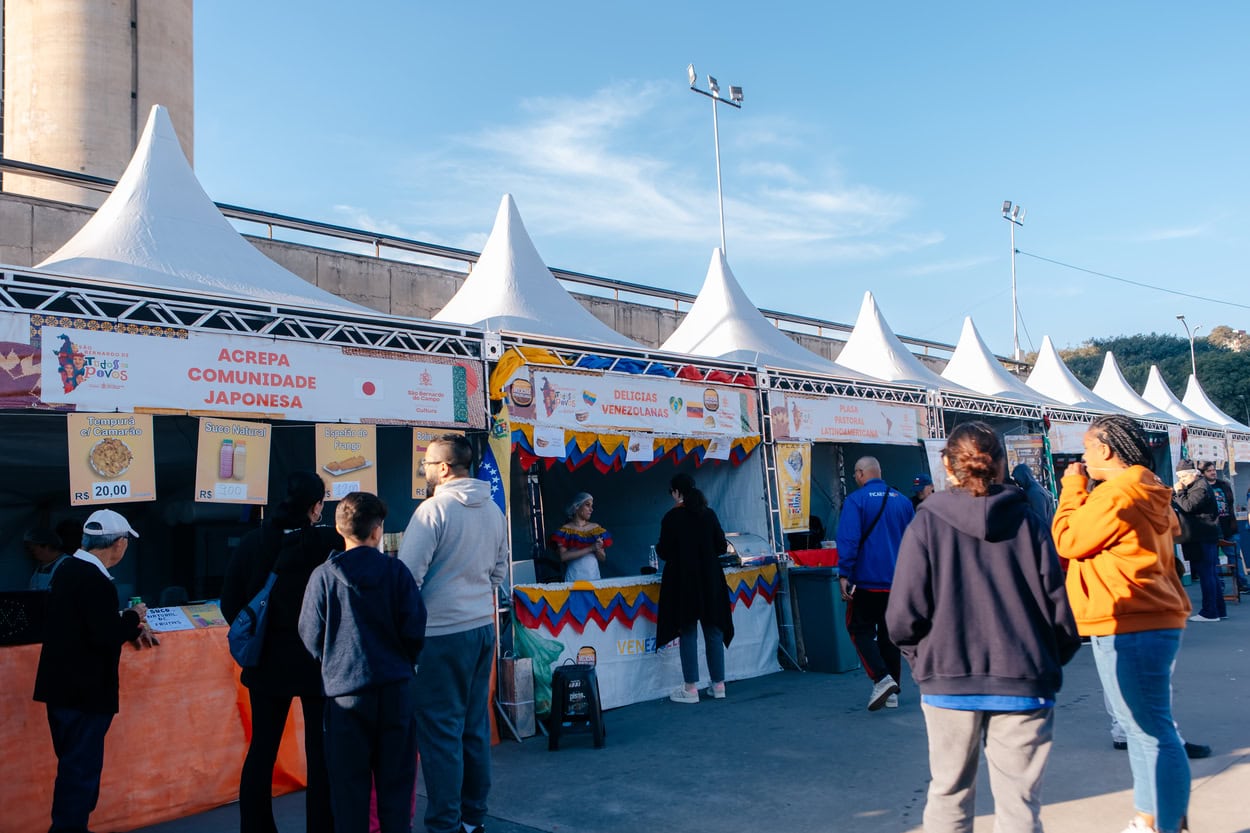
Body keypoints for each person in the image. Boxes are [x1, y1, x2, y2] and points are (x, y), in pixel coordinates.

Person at [887, 421, 1081, 833]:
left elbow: (902, 615)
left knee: (948, 796)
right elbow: (1060, 611)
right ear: (999, 464)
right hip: (1025, 678)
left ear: (946, 464)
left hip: (948, 680)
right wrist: (1046, 659)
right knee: (1019, 806)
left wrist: (922, 660)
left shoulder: (926, 523)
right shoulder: (1029, 522)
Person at [1051, 414, 1192, 833]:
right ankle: (1152, 816)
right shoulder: (1145, 487)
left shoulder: (1116, 495)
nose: (1083, 458)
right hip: (1143, 617)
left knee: (1151, 730)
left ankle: (1164, 822)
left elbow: (1068, 539)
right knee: (1141, 728)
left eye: (1087, 448)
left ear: (1106, 450)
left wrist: (1072, 488)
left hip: (1130, 619)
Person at [221, 471, 344, 833]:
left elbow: (232, 605)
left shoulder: (251, 543)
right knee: (321, 753)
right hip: (316, 661)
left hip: (266, 662)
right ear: (316, 506)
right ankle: (322, 826)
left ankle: (256, 828)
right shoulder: (328, 543)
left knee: (262, 748)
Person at [398, 434, 508, 833]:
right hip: (482, 627)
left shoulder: (432, 511)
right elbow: (499, 574)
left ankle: (445, 823)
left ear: (444, 468)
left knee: (441, 731)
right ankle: (473, 817)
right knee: (473, 727)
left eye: (426, 465)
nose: (424, 471)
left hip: (440, 634)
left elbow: (407, 578)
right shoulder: (494, 511)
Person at [299, 492, 427, 833]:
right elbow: (415, 630)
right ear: (377, 531)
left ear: (341, 530)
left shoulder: (323, 577)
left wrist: (333, 665)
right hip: (394, 690)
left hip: (344, 696)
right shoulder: (397, 573)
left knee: (349, 791)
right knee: (396, 789)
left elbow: (309, 634)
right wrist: (401, 661)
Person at [33, 508, 156, 833]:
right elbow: (104, 636)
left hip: (60, 688)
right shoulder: (96, 580)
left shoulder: (68, 569)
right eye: (126, 542)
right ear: (117, 543)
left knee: (73, 768)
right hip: (85, 692)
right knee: (80, 773)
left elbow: (83, 624)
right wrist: (132, 618)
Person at [836, 456, 915, 710]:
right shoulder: (903, 501)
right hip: (897, 582)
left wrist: (844, 574)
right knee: (890, 637)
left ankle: (882, 679)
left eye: (855, 474)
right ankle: (892, 692)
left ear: (860, 473)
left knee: (859, 630)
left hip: (867, 581)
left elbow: (848, 540)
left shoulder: (856, 501)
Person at [655, 472, 734, 704]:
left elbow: (664, 552)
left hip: (683, 582)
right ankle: (718, 684)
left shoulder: (671, 518)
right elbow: (721, 545)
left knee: (687, 631)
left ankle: (691, 688)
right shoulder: (708, 514)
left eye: (672, 492)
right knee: (713, 630)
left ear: (677, 492)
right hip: (710, 580)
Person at [1172, 459, 1223, 622]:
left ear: (1193, 474)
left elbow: (1187, 506)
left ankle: (1210, 611)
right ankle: (1218, 610)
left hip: (1203, 536)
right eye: (1180, 478)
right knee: (1210, 574)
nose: (1182, 481)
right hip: (1203, 536)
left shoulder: (1200, 487)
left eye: (1184, 477)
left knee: (1207, 574)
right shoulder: (1198, 486)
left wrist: (1179, 492)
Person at [1201, 461, 1249, 593]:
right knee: (1213, 559)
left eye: (1213, 470)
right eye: (1209, 470)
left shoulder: (1224, 485)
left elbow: (1230, 502)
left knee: (1235, 556)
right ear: (1203, 473)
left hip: (1229, 526)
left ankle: (1242, 584)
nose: (1213, 472)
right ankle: (1219, 586)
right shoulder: (1202, 487)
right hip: (1212, 528)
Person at [550, 492, 611, 581]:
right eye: (587, 505)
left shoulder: (595, 528)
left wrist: (598, 548)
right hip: (574, 578)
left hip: (594, 578)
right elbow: (563, 557)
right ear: (576, 507)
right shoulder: (565, 530)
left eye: (591, 506)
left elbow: (602, 558)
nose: (591, 509)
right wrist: (590, 548)